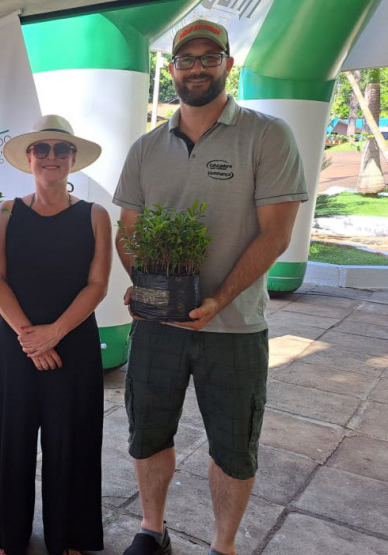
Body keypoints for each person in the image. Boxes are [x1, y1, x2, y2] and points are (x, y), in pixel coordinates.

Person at [113, 20, 308, 555]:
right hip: (157, 328)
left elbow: (277, 233)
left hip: (236, 326)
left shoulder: (267, 135)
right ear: (171, 68)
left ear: (227, 64)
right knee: (147, 433)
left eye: (209, 57)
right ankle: (152, 530)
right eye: (186, 59)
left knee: (233, 447)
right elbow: (127, 233)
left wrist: (219, 299)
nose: (196, 67)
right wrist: (143, 284)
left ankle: (224, 545)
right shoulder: (147, 148)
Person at [0, 114, 111, 555]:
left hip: (73, 342)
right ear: (29, 157)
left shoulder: (96, 216)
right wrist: (29, 337)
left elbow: (98, 284)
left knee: (70, 439)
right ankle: (7, 534)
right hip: (18, 342)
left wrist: (53, 333)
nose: (50, 157)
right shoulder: (6, 211)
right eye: (42, 149)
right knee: (11, 437)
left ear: (73, 159)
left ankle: (70, 534)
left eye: (60, 150)